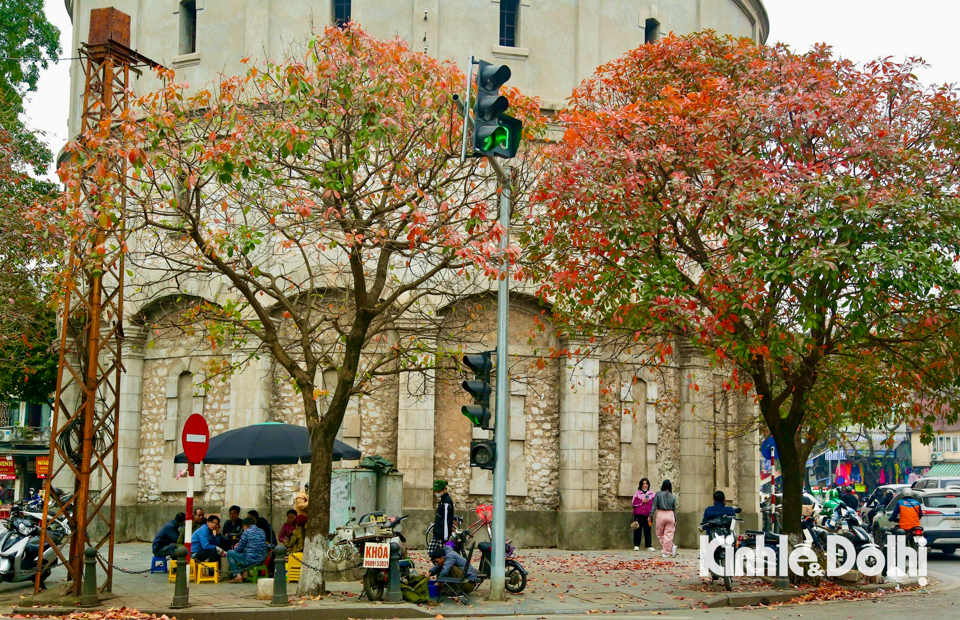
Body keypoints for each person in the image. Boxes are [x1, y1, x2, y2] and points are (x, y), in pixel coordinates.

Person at [227, 517, 268, 583]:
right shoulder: (262, 531)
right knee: (247, 552)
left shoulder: (246, 532)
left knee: (230, 553)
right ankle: (245, 574)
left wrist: (235, 547)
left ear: (245, 526)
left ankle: (238, 576)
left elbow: (239, 550)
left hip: (251, 560)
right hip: (262, 560)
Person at [649, 479, 678, 558]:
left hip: (661, 513)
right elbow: (675, 509)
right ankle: (668, 549)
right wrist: (675, 518)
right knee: (669, 534)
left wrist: (650, 515)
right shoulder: (673, 496)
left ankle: (668, 549)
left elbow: (654, 506)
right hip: (670, 514)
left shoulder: (658, 494)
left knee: (659, 534)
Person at [430, 480, 455, 554]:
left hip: (442, 535)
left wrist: (445, 538)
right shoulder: (443, 500)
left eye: (438, 491)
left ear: (444, 489)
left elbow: (446, 520)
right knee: (432, 552)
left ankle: (443, 566)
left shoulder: (446, 502)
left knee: (441, 555)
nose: (436, 493)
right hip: (438, 533)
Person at [632, 478, 655, 552]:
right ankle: (636, 545)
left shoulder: (652, 493)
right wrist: (642, 501)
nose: (645, 485)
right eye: (644, 483)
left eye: (646, 483)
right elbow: (633, 503)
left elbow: (654, 505)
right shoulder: (637, 493)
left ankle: (648, 545)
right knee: (637, 530)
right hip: (639, 514)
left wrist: (651, 514)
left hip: (648, 515)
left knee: (647, 530)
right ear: (641, 485)